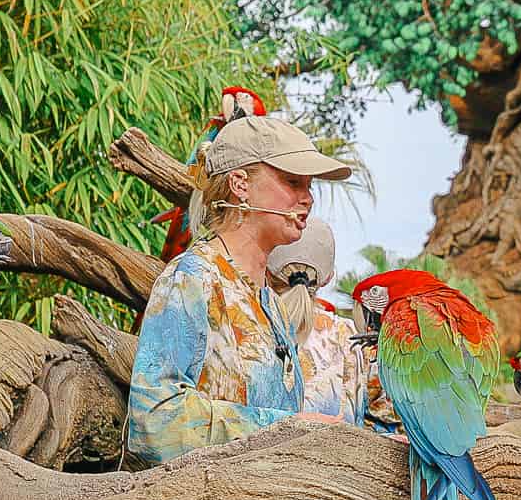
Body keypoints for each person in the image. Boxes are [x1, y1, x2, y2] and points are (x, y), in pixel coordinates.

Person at [127, 115, 353, 466]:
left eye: (309, 186)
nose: (307, 199)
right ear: (239, 184)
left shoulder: (270, 304)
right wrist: (287, 429)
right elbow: (154, 421)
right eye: (293, 182)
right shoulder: (193, 279)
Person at [266, 215, 368, 425]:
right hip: (339, 455)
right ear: (328, 277)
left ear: (267, 270)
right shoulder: (351, 335)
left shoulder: (249, 324)